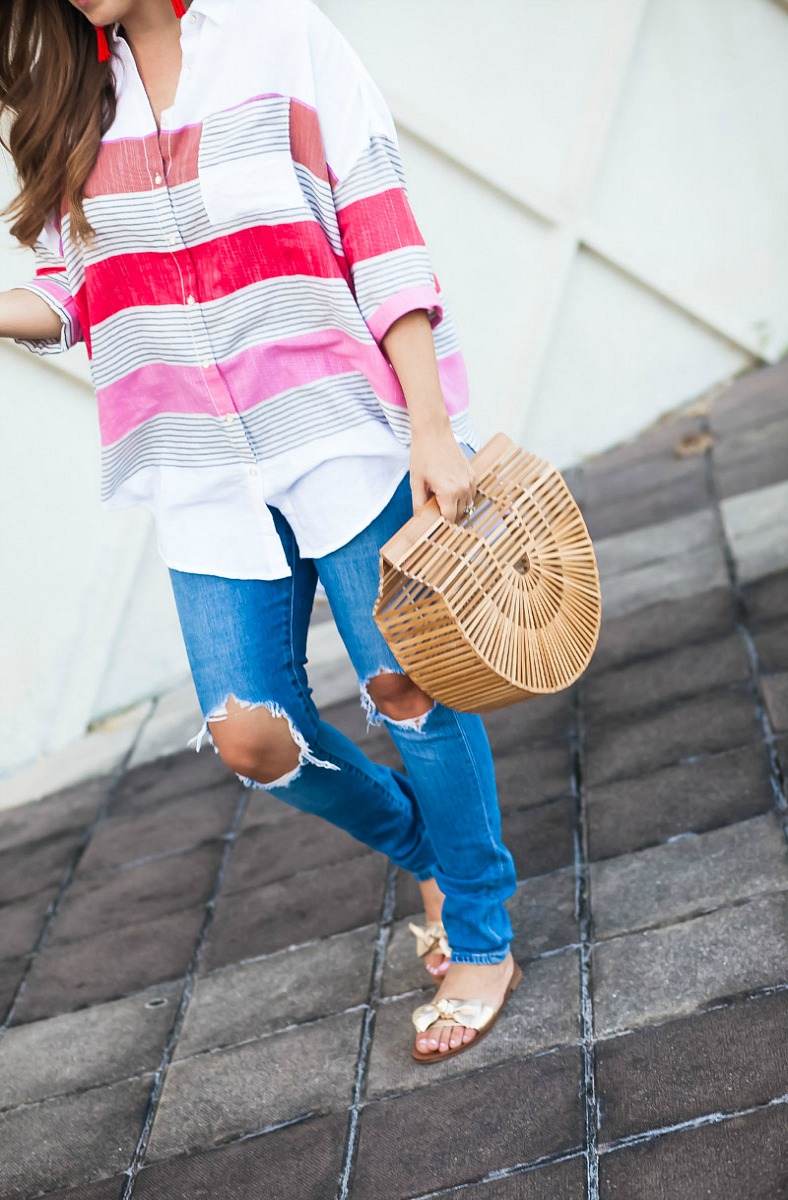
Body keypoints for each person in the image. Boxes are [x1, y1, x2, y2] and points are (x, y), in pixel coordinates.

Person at [0, 0, 521, 1062]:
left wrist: (430, 428)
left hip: (335, 427)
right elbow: (74, 294)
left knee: (404, 688)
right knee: (250, 734)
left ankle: (480, 927)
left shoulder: (282, 38)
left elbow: (376, 227)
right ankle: (426, 849)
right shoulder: (72, 96)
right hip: (196, 462)